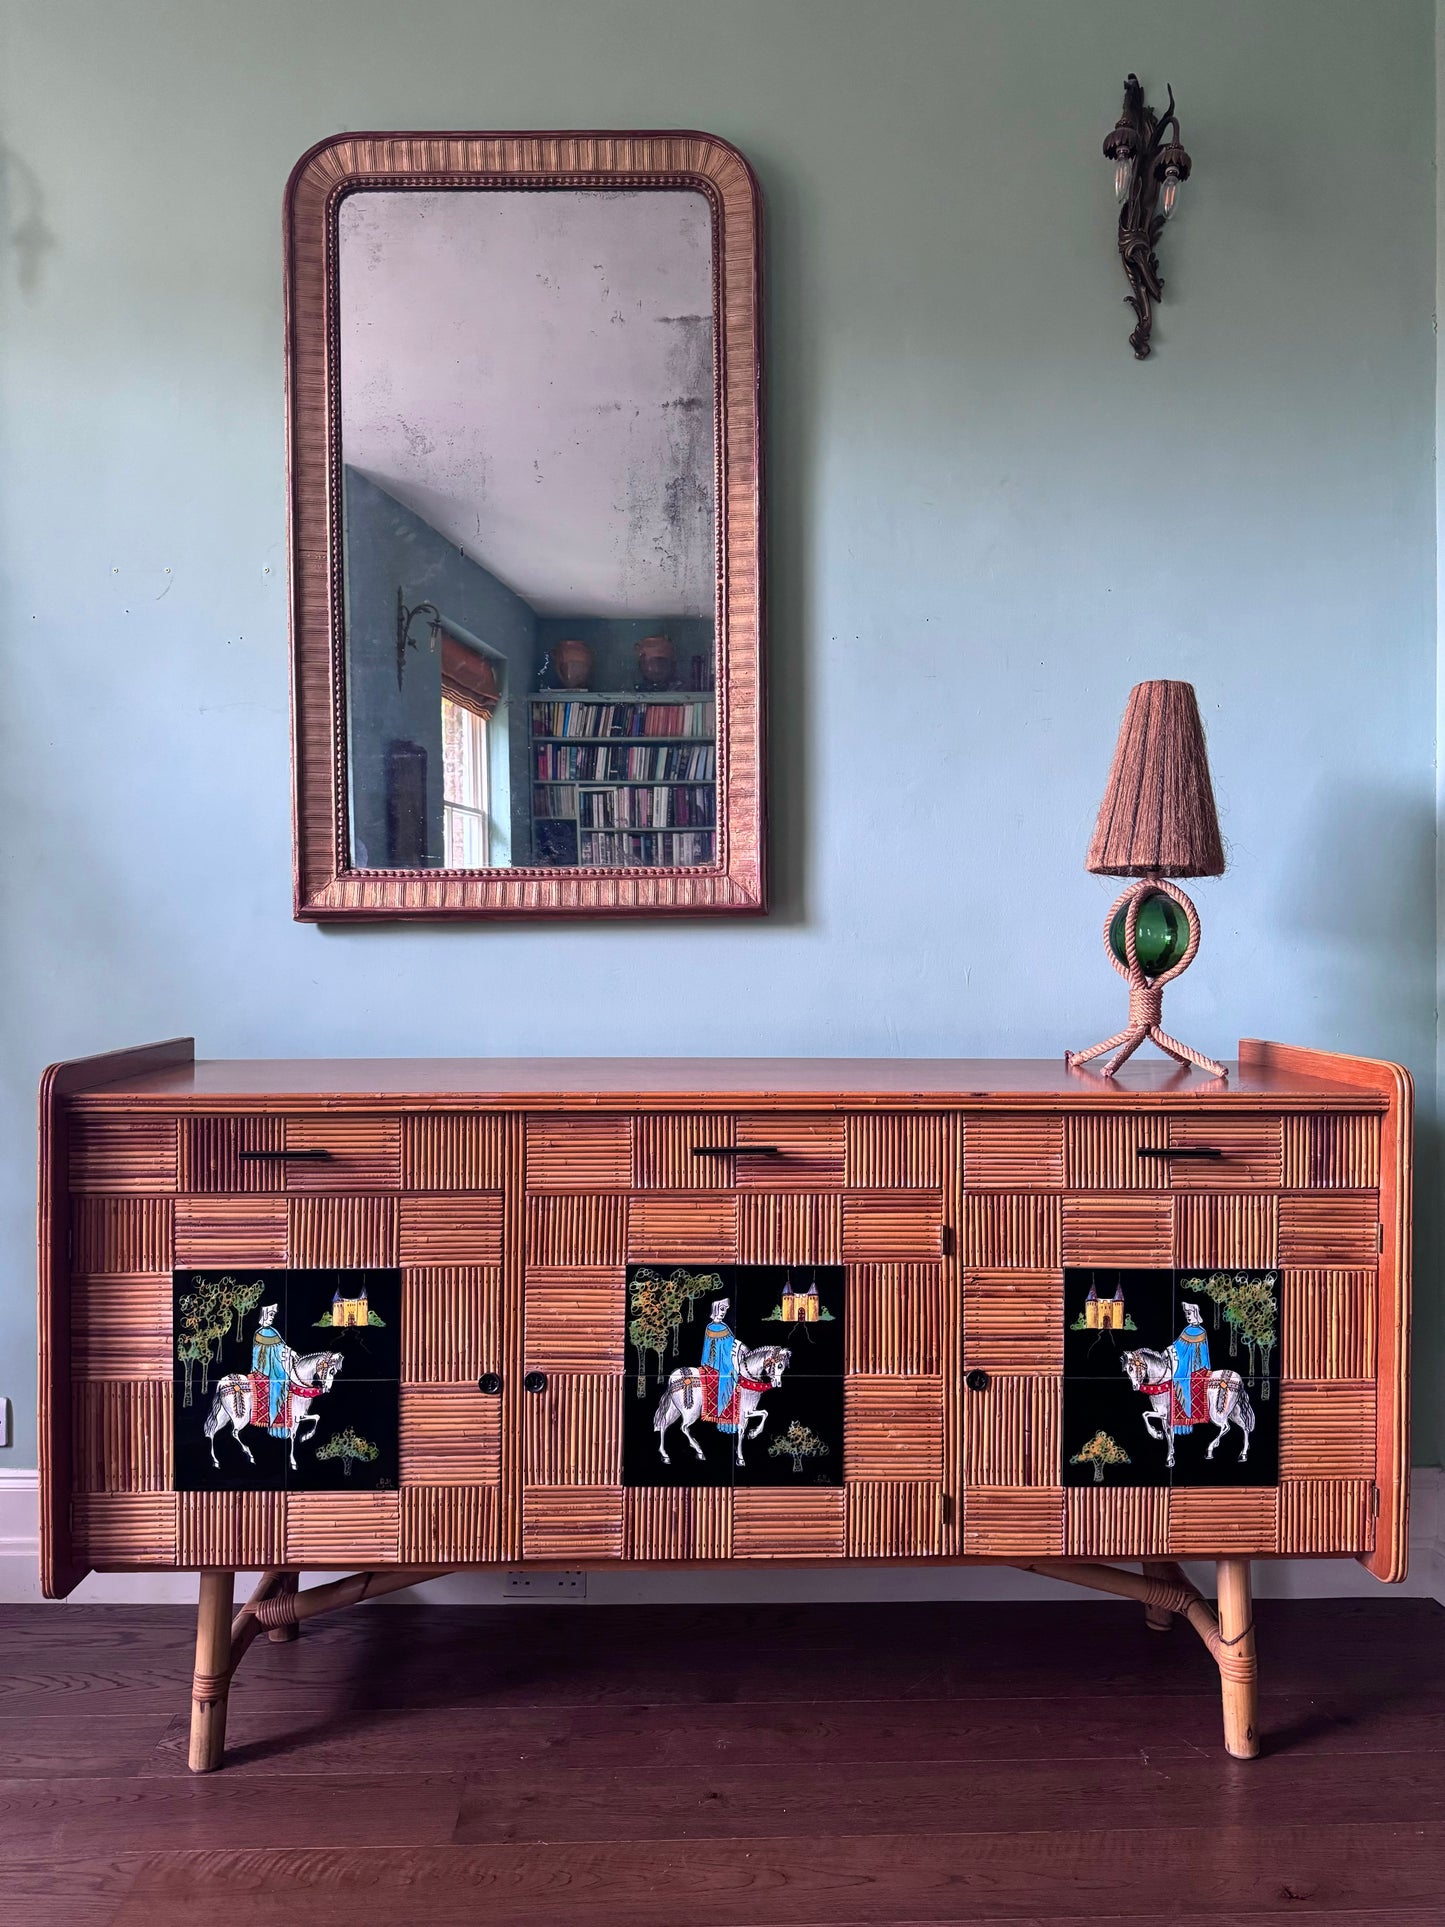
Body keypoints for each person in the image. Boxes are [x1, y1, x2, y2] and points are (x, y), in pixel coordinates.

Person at [1168, 1300, 1211, 1432]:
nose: (1187, 1316)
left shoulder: (1202, 1332)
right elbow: (1178, 1346)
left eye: (1190, 1313)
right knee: (1176, 1378)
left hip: (1197, 1367)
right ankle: (1180, 1424)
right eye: (1186, 1313)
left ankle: (1188, 1418)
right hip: (1185, 1365)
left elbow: (1203, 1354)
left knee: (1182, 1379)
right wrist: (1169, 1350)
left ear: (1196, 1313)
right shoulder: (1186, 1330)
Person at [700, 1297, 739, 1432]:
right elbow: (709, 1349)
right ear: (715, 1309)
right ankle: (723, 1421)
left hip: (721, 1365)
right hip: (719, 1366)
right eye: (722, 1309)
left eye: (725, 1310)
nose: (723, 1312)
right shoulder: (714, 1328)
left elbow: (731, 1347)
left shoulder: (720, 1327)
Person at [251, 1305, 290, 1437]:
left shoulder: (274, 1331)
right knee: (277, 1383)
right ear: (264, 1314)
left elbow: (282, 1347)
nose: (272, 1317)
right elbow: (262, 1354)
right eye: (271, 1314)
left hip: (276, 1369)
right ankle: (273, 1425)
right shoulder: (260, 1333)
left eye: (273, 1315)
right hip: (265, 1369)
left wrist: (291, 1353)